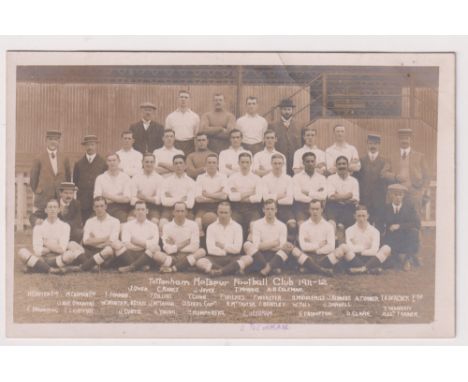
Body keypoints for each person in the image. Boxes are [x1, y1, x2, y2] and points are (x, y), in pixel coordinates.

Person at [211, 200, 294, 277]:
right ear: (263, 210)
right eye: (267, 209)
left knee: (287, 247)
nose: (270, 211)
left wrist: (266, 245)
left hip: (275, 255)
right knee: (247, 245)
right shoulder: (257, 224)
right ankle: (270, 267)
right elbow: (257, 246)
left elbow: (281, 246)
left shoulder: (282, 226)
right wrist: (274, 243)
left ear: (276, 210)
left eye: (272, 209)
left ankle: (263, 268)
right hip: (259, 255)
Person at [18, 198, 84, 274]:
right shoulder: (38, 227)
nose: (52, 209)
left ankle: (37, 267)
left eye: (55, 207)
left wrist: (46, 243)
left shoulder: (65, 226)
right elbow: (37, 250)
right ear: (46, 210)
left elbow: (62, 249)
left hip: (58, 257)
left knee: (69, 255)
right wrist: (55, 248)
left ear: (59, 210)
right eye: (50, 207)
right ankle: (52, 269)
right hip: (42, 258)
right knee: (22, 252)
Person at [329, 205, 391, 274]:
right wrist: (364, 248)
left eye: (363, 216)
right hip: (354, 258)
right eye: (359, 216)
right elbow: (349, 248)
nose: (361, 219)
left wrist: (359, 250)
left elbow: (374, 250)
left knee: (387, 248)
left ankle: (361, 269)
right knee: (343, 247)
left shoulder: (375, 231)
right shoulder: (349, 230)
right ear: (355, 216)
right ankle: (369, 270)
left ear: (368, 216)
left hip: (371, 259)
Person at [384, 128, 430, 216]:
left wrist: (423, 189)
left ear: (411, 139)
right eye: (402, 138)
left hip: (414, 191)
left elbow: (427, 176)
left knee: (415, 215)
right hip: (397, 192)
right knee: (396, 215)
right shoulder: (392, 156)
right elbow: (384, 173)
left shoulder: (420, 156)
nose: (404, 141)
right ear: (399, 140)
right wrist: (395, 176)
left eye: (407, 138)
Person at [29, 130, 71, 223]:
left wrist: (64, 194)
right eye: (50, 139)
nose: (53, 142)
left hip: (59, 197)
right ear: (46, 141)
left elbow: (68, 178)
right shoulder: (38, 158)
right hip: (44, 197)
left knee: (60, 223)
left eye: (55, 139)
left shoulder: (64, 158)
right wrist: (40, 191)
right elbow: (33, 180)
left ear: (59, 142)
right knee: (43, 224)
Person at [354, 134, 393, 231]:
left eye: (375, 143)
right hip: (365, 199)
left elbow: (389, 180)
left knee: (380, 224)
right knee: (366, 225)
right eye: (370, 143)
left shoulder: (386, 161)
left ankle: (379, 244)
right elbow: (356, 180)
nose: (373, 146)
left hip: (380, 199)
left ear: (379, 145)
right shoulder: (361, 160)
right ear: (367, 144)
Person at [77, 196, 125, 272]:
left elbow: (112, 241)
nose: (99, 209)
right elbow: (85, 241)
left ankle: (84, 267)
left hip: (106, 253)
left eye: (102, 206)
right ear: (93, 208)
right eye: (97, 206)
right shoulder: (89, 221)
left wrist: (93, 240)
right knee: (73, 245)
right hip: (92, 251)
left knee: (109, 250)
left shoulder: (115, 221)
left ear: (106, 207)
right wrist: (104, 239)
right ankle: (94, 265)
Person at [195, 201, 243, 275]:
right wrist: (225, 251)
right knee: (200, 262)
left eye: (226, 212)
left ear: (230, 212)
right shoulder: (211, 227)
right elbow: (210, 249)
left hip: (232, 257)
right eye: (221, 212)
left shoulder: (237, 227)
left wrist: (223, 246)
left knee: (248, 259)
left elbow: (237, 249)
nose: (223, 215)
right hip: (216, 257)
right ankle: (229, 270)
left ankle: (218, 271)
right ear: (217, 212)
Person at [381, 184, 421, 271]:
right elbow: (379, 222)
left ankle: (407, 260)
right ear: (391, 195)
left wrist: (399, 226)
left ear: (403, 196)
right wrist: (383, 229)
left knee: (414, 232)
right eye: (395, 195)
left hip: (405, 237)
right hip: (390, 237)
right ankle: (392, 258)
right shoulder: (386, 208)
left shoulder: (409, 208)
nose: (398, 197)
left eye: (400, 195)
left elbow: (417, 223)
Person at [289, 200, 335, 276]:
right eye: (312, 209)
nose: (315, 211)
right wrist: (319, 245)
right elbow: (303, 247)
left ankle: (310, 268)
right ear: (309, 210)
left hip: (324, 257)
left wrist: (316, 251)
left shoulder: (328, 226)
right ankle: (322, 270)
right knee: (294, 250)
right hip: (308, 256)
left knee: (339, 251)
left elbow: (331, 246)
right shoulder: (304, 226)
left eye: (317, 209)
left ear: (322, 210)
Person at [158, 202, 206, 273]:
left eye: (182, 211)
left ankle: (173, 268)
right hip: (173, 256)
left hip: (188, 254)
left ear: (186, 212)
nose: (180, 214)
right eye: (177, 211)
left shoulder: (193, 225)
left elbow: (195, 246)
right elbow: (167, 249)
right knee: (157, 255)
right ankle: (185, 265)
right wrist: (185, 243)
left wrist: (175, 246)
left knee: (201, 251)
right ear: (173, 212)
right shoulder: (166, 226)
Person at [115, 201, 162, 271]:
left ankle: (131, 267)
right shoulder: (127, 225)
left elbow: (155, 243)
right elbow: (126, 243)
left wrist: (135, 242)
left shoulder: (153, 226)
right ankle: (140, 267)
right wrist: (145, 243)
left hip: (146, 254)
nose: (140, 212)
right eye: (138, 209)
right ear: (134, 212)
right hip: (131, 253)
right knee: (118, 247)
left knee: (155, 248)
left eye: (142, 209)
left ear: (147, 211)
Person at [224, 152, 262, 237]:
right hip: (236, 209)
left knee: (254, 227)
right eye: (242, 162)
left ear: (251, 163)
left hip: (252, 209)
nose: (244, 165)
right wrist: (251, 193)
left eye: (247, 162)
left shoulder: (257, 178)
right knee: (231, 227)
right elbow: (232, 198)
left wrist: (239, 195)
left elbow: (258, 198)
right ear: (238, 163)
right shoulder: (232, 178)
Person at [72, 134, 107, 222]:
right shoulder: (78, 164)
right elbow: (75, 183)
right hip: (83, 202)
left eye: (92, 144)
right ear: (84, 146)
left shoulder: (103, 163)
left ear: (96, 145)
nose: (90, 147)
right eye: (87, 145)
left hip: (98, 201)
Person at [261, 154, 296, 239]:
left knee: (292, 225)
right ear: (271, 164)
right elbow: (265, 198)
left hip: (285, 208)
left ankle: (289, 247)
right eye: (275, 163)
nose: (277, 166)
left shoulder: (288, 179)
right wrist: (281, 195)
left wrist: (272, 197)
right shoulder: (265, 179)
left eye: (279, 163)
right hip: (268, 208)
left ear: (283, 164)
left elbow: (290, 199)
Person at [159, 154, 196, 231]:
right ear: (173, 166)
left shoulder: (191, 182)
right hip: (169, 210)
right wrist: (181, 199)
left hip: (186, 211)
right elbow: (164, 201)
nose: (178, 165)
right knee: (162, 224)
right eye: (176, 163)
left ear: (185, 166)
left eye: (180, 163)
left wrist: (172, 198)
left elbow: (190, 204)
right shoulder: (166, 181)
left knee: (189, 228)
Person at [194, 153, 228, 235]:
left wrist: (207, 195)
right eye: (209, 163)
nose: (211, 165)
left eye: (214, 163)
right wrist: (217, 195)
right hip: (204, 207)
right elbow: (198, 198)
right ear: (205, 164)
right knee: (197, 223)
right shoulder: (200, 178)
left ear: (217, 164)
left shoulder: (223, 177)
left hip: (219, 206)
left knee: (223, 224)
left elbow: (224, 196)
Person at [93, 153, 132, 223]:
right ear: (106, 162)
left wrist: (107, 196)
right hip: (103, 208)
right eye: (109, 161)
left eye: (114, 160)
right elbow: (97, 198)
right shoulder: (100, 178)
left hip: (120, 208)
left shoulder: (125, 177)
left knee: (122, 225)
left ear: (119, 161)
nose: (112, 163)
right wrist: (119, 197)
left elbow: (127, 199)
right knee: (92, 222)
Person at [292, 152, 328, 226]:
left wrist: (307, 193)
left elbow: (323, 196)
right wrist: (316, 195)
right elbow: (297, 196)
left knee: (323, 226)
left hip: (317, 208)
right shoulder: (296, 177)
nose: (310, 163)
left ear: (315, 162)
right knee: (302, 226)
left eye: (312, 161)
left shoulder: (322, 178)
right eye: (307, 161)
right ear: (303, 163)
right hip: (302, 208)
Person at [326, 156, 360, 232]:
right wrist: (348, 195)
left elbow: (355, 200)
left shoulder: (354, 181)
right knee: (331, 225)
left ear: (348, 166)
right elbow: (331, 197)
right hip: (334, 208)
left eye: (344, 164)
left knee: (350, 228)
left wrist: (338, 196)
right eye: (339, 164)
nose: (342, 166)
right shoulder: (330, 179)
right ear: (336, 166)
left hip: (349, 208)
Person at [130, 153, 164, 227]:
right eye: (147, 162)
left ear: (154, 163)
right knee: (130, 220)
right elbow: (133, 199)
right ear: (142, 162)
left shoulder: (159, 179)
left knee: (154, 222)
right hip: (137, 206)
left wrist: (143, 197)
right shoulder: (136, 177)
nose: (149, 164)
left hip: (153, 207)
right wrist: (151, 198)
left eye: (151, 162)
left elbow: (158, 200)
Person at [269, 98, 302, 175]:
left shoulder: (300, 125)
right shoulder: (273, 125)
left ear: (292, 110)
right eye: (284, 109)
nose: (287, 112)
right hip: (279, 161)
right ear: (280, 110)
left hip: (295, 160)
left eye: (289, 109)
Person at [165, 90, 200, 155]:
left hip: (190, 145)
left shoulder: (195, 117)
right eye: (181, 97)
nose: (183, 99)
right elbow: (167, 134)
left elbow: (196, 134)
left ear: (189, 100)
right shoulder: (170, 117)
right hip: (175, 144)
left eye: (186, 97)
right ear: (178, 99)